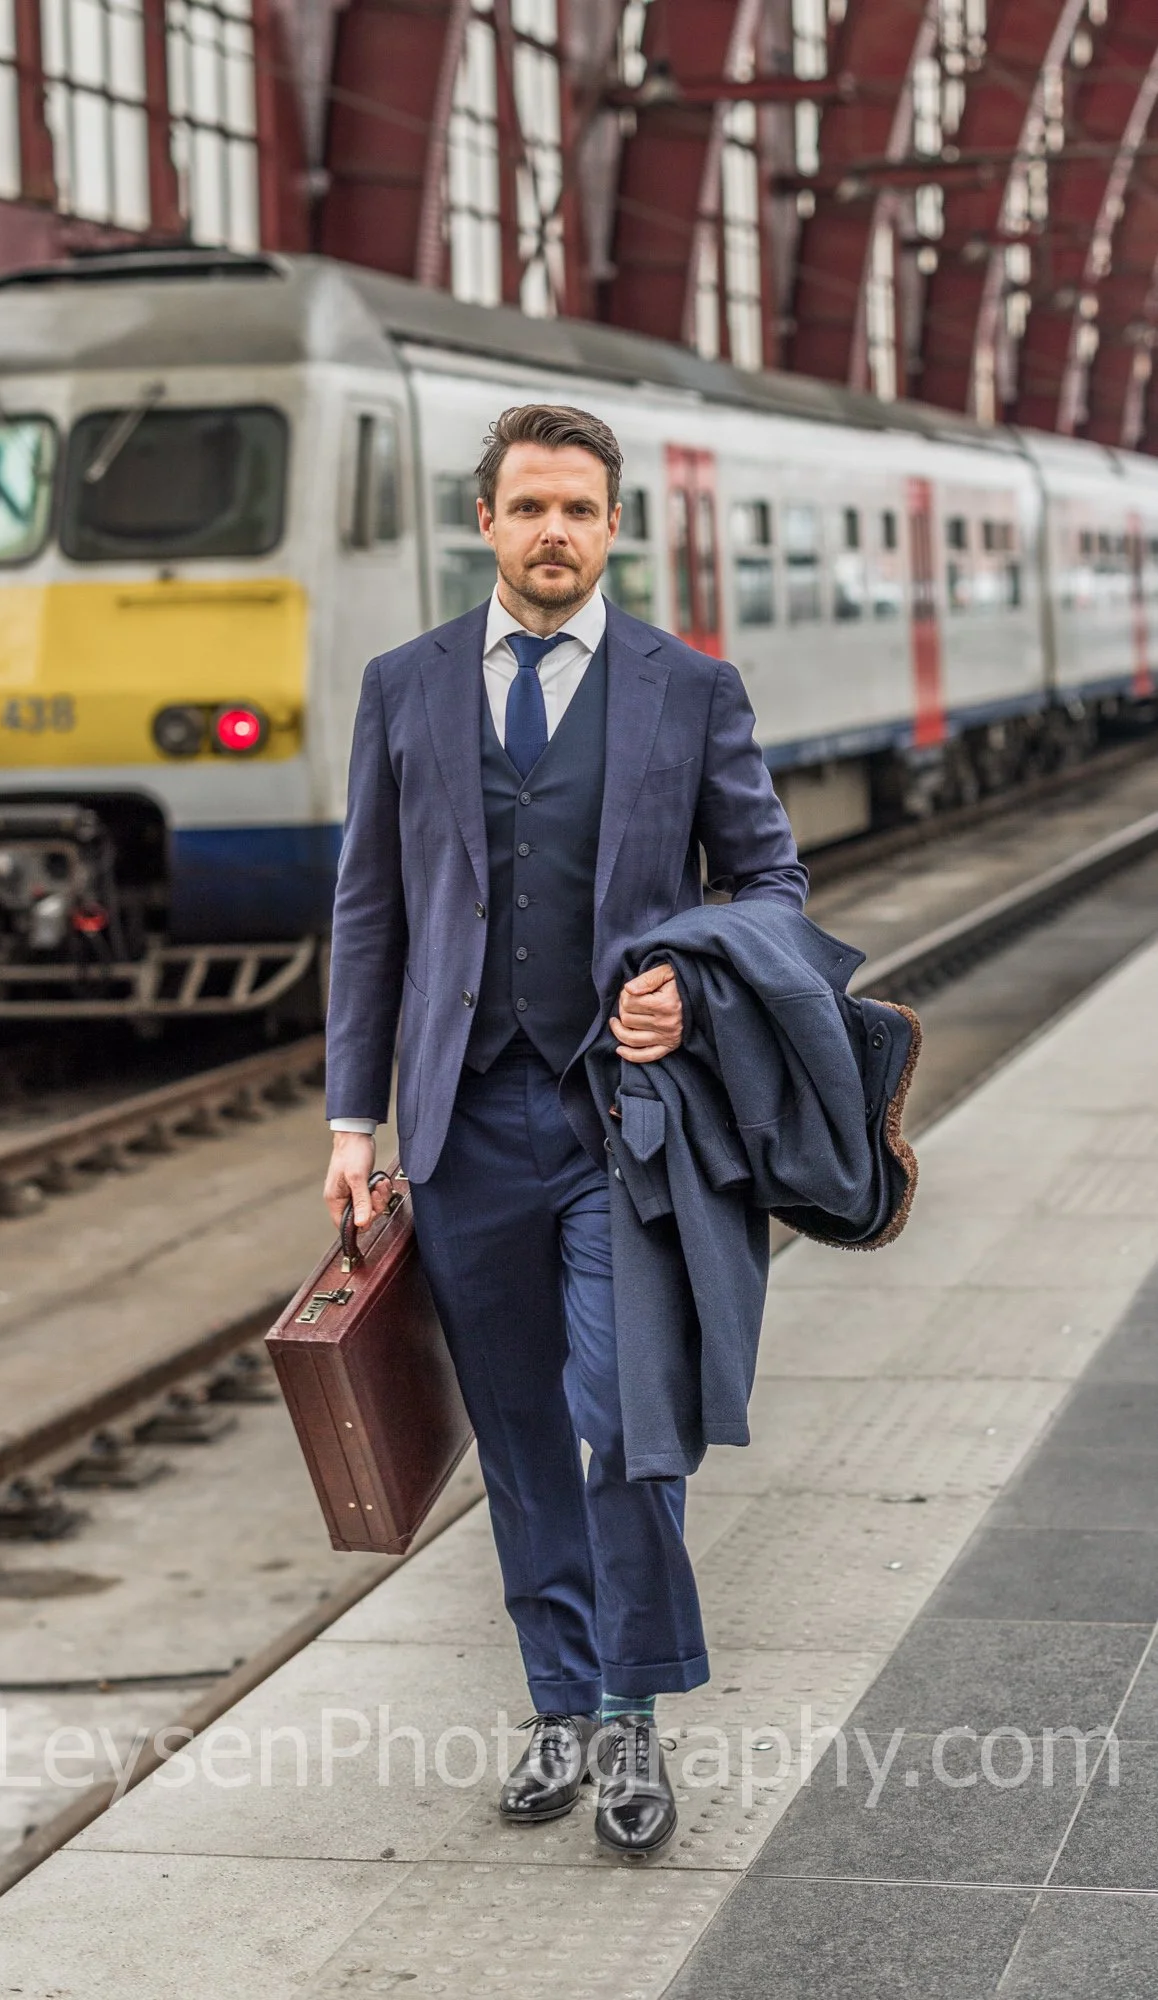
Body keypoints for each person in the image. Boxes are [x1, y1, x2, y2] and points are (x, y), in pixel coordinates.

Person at [323, 404, 807, 1858]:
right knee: (524, 1431)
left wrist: (688, 981)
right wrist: (355, 1118)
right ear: (486, 521)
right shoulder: (402, 688)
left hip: (622, 1121)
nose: (554, 533)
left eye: (580, 511)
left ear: (611, 528)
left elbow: (769, 884)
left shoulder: (690, 687)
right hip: (464, 1123)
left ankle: (634, 1722)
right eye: (529, 506)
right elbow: (369, 913)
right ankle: (558, 1706)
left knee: (625, 1423)